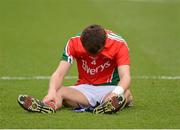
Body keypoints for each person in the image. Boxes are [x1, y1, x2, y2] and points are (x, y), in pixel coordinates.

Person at [18, 24, 133, 114]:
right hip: (84, 89)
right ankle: (48, 106)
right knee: (59, 91)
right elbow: (59, 73)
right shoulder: (74, 42)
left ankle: (108, 105)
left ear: (105, 42)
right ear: (82, 43)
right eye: (89, 53)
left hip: (110, 88)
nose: (93, 57)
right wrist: (51, 91)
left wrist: (114, 93)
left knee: (125, 93)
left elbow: (125, 77)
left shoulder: (119, 44)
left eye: (97, 52)